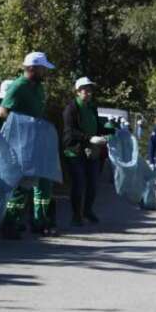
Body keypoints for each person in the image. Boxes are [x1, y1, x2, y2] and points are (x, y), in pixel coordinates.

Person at [0, 51, 58, 239]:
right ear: (32, 68)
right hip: (20, 144)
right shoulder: (18, 86)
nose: (45, 73)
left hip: (37, 142)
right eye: (43, 69)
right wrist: (24, 124)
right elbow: (2, 112)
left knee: (43, 181)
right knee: (22, 184)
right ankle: (10, 224)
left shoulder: (38, 87)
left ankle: (39, 221)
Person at [62, 77, 108, 226]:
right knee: (79, 183)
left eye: (90, 90)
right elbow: (70, 131)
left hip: (91, 151)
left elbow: (98, 127)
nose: (88, 93)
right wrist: (89, 138)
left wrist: (113, 130)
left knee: (93, 184)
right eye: (85, 90)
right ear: (77, 91)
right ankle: (76, 215)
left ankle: (88, 210)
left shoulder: (92, 107)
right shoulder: (71, 108)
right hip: (75, 151)